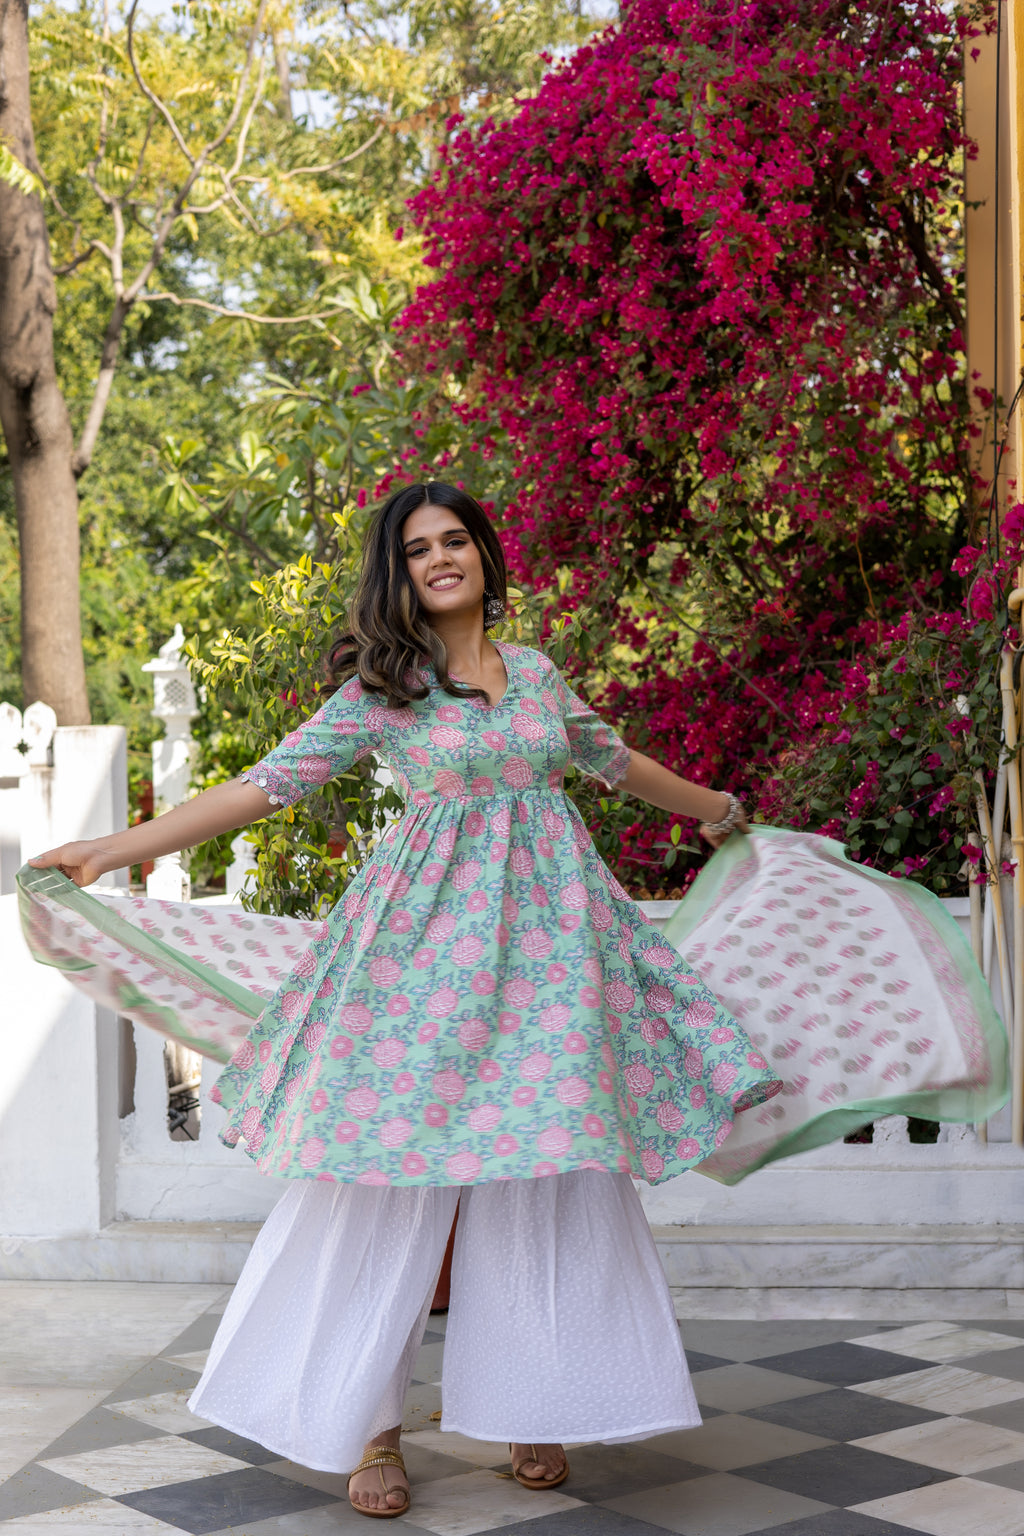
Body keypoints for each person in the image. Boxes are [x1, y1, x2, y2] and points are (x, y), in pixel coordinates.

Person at [28, 481, 788, 1517]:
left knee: (547, 1163)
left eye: (455, 539)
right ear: (400, 573)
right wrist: (112, 850)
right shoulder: (388, 691)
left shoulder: (534, 678)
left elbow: (612, 762)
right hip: (419, 960)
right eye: (417, 547)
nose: (439, 557)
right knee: (386, 1171)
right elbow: (266, 786)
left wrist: (719, 813)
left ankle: (535, 1398)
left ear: (482, 555)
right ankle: (367, 1427)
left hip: (549, 961)